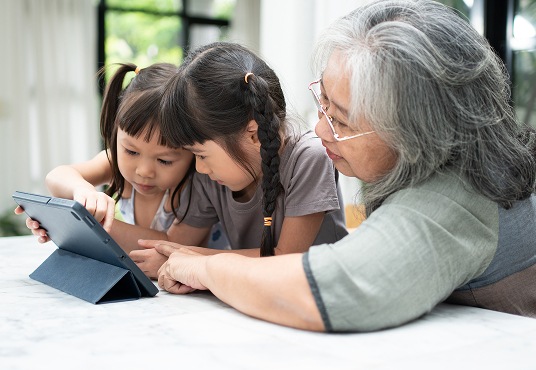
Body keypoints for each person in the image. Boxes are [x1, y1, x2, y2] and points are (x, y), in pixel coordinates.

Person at [152, 0, 536, 332]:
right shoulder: (447, 166)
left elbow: (331, 289)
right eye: (324, 104)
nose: (320, 128)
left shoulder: (452, 198)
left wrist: (204, 269)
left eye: (342, 120)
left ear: (417, 135)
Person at [131, 42, 348, 276]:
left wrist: (187, 259)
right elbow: (171, 244)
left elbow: (287, 260)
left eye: (201, 154)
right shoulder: (210, 179)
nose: (199, 168)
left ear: (253, 134)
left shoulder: (309, 159)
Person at [17, 63, 196, 252]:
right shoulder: (114, 163)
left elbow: (172, 245)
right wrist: (83, 191)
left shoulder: (197, 187)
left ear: (194, 152)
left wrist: (87, 224)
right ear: (116, 132)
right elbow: (56, 176)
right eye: (131, 151)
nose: (144, 171)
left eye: (164, 160)